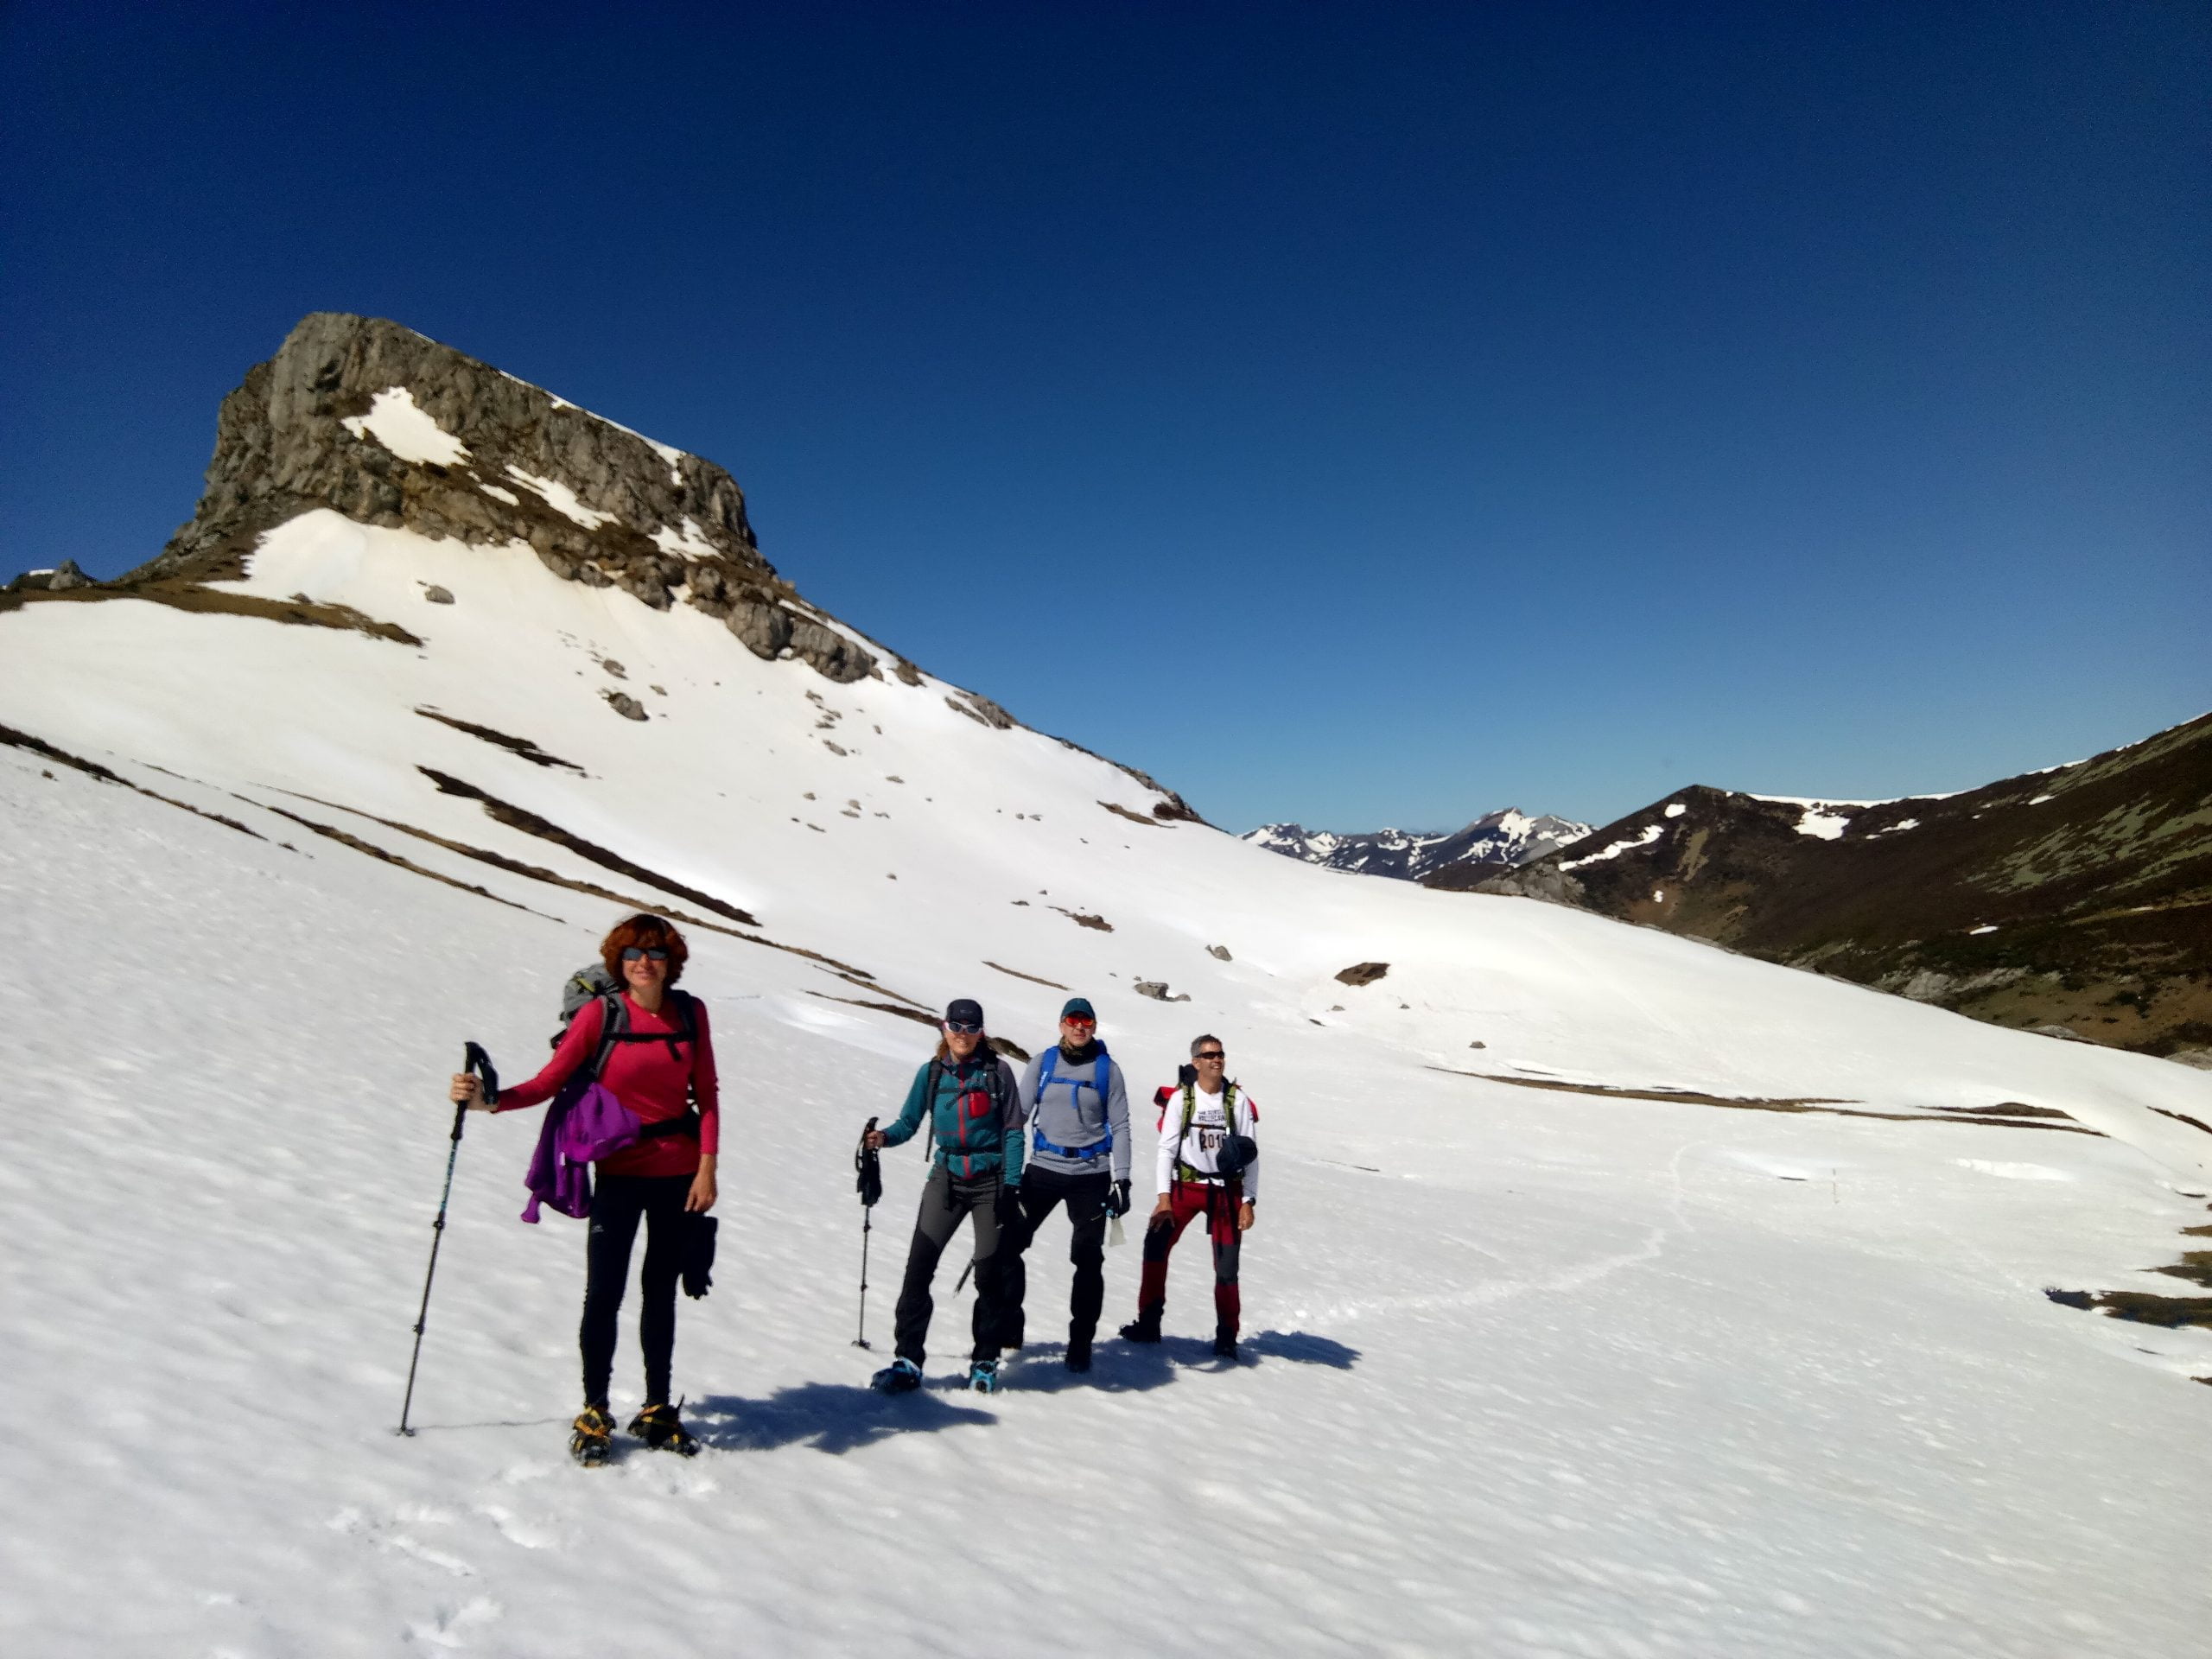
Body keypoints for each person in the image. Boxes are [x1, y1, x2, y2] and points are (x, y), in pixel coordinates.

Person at [450, 913, 718, 1464]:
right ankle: (595, 1407)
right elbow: (549, 1082)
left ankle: (657, 1408)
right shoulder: (600, 1014)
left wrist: (707, 1168)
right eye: (633, 955)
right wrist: (488, 1100)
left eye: (656, 953)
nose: (645, 963)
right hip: (618, 1172)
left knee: (660, 1291)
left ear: (672, 961)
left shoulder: (691, 1014)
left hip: (678, 1171)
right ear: (618, 963)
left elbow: (707, 1093)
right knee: (605, 1293)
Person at [863, 998, 1025, 1394]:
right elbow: (909, 1122)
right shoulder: (932, 1073)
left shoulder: (998, 1072)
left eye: (971, 1028)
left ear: (981, 1032)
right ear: (944, 1028)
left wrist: (1011, 1185)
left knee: (988, 1275)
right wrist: (882, 1138)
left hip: (990, 1182)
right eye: (957, 1026)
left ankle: (985, 1360)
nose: (963, 1034)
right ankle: (907, 1360)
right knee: (918, 1268)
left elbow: (1014, 1131)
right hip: (947, 1179)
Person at [1001, 997, 1132, 1373]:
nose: (1080, 1027)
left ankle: (1080, 1344)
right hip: (1042, 1169)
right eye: (1073, 1020)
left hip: (1091, 1175)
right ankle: (1011, 1325)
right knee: (1009, 1244)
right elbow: (1018, 1116)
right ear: (1061, 1024)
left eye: (1086, 1021)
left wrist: (1122, 1178)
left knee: (1088, 1259)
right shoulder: (1042, 1064)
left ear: (1094, 1026)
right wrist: (1005, 1166)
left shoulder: (1109, 1070)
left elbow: (1120, 1126)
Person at [1119, 1033, 1258, 1359]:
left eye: (1220, 1054)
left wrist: (1249, 1201)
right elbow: (1166, 1148)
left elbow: (1251, 1154)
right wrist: (1163, 1197)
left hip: (1227, 1191)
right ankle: (1149, 1324)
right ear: (1195, 1062)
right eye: (1209, 1055)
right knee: (1155, 1246)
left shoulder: (1237, 1101)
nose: (1217, 1060)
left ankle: (1227, 1336)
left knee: (1226, 1267)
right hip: (1186, 1186)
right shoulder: (1182, 1100)